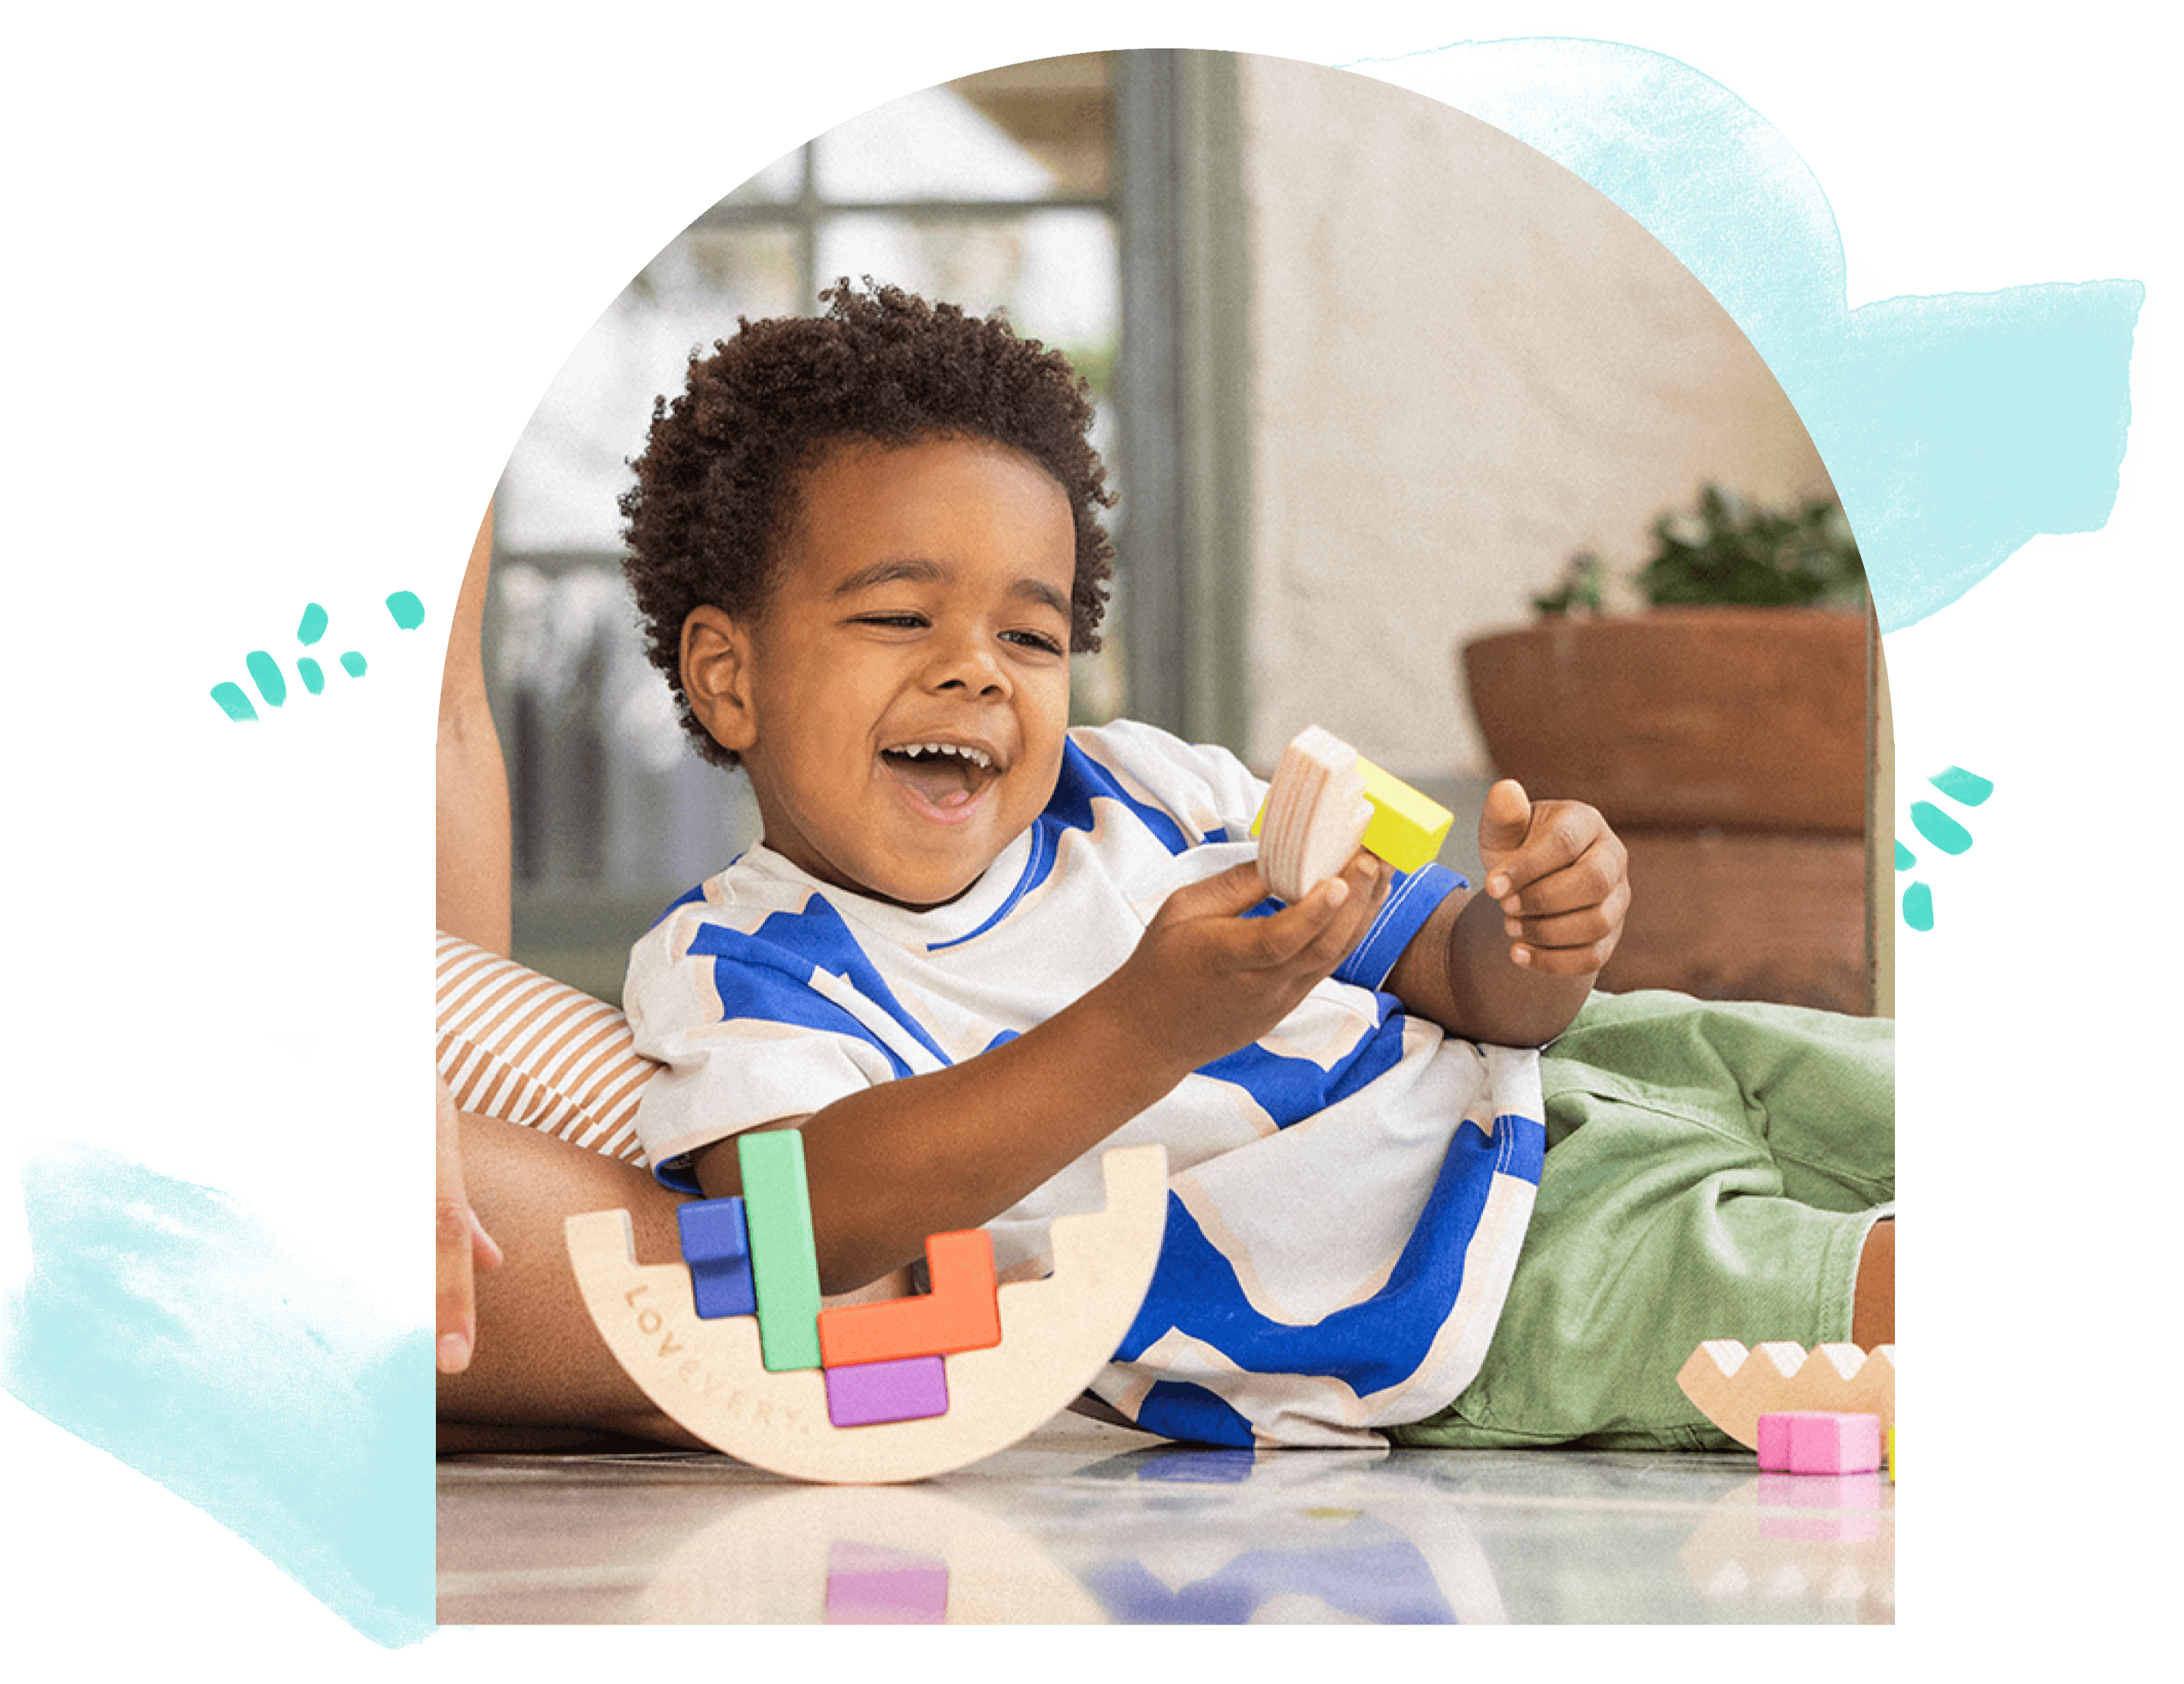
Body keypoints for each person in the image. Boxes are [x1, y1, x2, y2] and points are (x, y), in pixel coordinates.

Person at [441, 281, 1893, 1451]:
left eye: (1028, 633)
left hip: (1615, 1071)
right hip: (1470, 1285)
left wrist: (1539, 935)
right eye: (898, 619)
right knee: (1852, 1305)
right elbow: (799, 1228)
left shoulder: (1145, 786)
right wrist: (1145, 1027)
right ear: (728, 675)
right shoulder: (735, 964)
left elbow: (1466, 974)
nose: (977, 675)